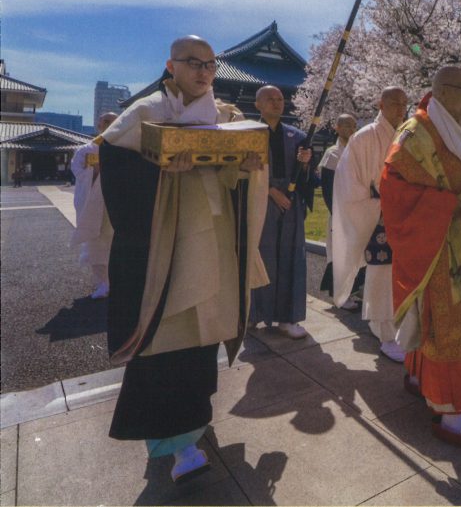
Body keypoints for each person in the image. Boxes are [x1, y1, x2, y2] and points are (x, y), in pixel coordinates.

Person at [98, 35, 268, 481]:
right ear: (170, 65)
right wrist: (157, 177)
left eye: (210, 64)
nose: (203, 72)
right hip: (168, 247)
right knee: (166, 345)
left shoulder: (227, 115)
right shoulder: (147, 113)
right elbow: (114, 166)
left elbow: (237, 173)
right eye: (192, 63)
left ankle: (192, 428)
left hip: (213, 239)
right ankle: (173, 447)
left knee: (201, 342)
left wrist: (246, 169)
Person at [380, 66, 461, 452]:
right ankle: (450, 411)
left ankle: (428, 380)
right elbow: (392, 188)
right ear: (439, 90)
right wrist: (441, 206)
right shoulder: (415, 132)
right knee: (447, 324)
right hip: (442, 247)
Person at [331, 87, 409, 362]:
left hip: (406, 216)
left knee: (404, 275)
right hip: (377, 216)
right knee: (381, 276)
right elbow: (347, 183)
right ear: (381, 104)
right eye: (395, 103)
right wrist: (378, 205)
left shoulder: (407, 135)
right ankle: (385, 334)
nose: (401, 109)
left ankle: (402, 330)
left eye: (404, 104)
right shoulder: (364, 137)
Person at [251, 85, 313, 339]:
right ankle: (253, 314)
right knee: (259, 256)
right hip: (259, 200)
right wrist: (268, 190)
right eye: (270, 99)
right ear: (257, 104)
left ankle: (288, 317)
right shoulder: (248, 133)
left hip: (290, 202)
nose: (277, 103)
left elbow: (308, 176)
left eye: (280, 99)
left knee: (291, 256)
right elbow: (243, 171)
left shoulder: (297, 135)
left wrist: (306, 161)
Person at [70, 112, 119, 299]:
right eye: (106, 121)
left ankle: (118, 281)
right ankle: (102, 283)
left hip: (117, 203)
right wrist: (95, 170)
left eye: (114, 122)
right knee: (96, 244)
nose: (109, 125)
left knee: (117, 243)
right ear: (98, 125)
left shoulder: (125, 147)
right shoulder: (85, 150)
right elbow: (77, 172)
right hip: (94, 202)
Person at [316, 114, 360, 307]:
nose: (351, 129)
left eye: (353, 126)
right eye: (346, 125)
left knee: (355, 254)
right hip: (339, 212)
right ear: (337, 127)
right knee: (339, 253)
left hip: (357, 210)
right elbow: (327, 190)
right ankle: (339, 295)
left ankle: (352, 291)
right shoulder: (332, 154)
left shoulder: (357, 151)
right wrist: (337, 214)